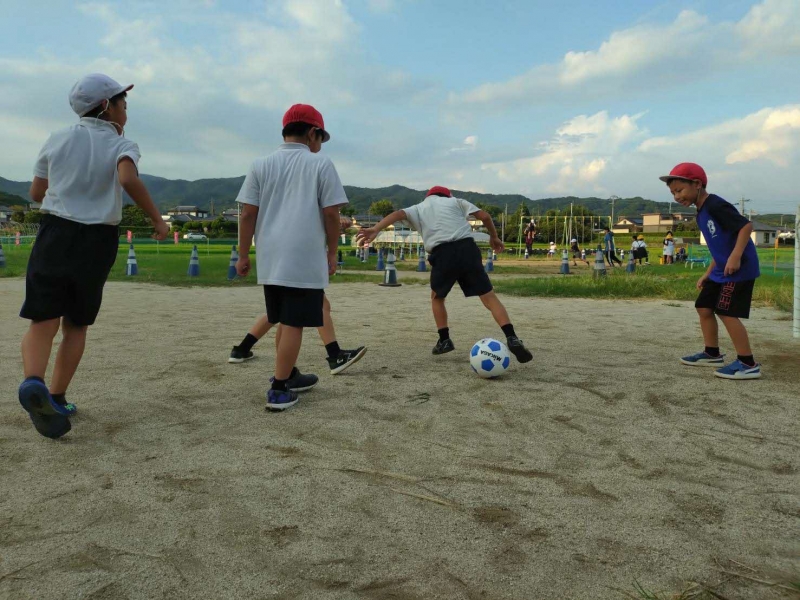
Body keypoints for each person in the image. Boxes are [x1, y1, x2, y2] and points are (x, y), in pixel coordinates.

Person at [17, 73, 169, 439]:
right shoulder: (122, 143)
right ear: (107, 107)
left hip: (55, 232)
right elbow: (128, 179)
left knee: (43, 318)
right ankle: (57, 395)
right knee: (77, 323)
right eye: (123, 103)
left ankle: (33, 382)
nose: (126, 109)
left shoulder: (58, 137)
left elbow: (38, 192)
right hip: (97, 239)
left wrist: (69, 185)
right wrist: (156, 219)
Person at [235, 104, 348, 411]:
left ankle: (289, 374)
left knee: (284, 319)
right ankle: (280, 388)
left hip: (270, 255)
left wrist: (243, 254)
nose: (320, 145)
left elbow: (247, 215)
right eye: (320, 138)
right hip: (304, 255)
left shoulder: (261, 164)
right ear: (313, 133)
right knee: (295, 323)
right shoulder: (320, 164)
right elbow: (331, 214)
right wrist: (333, 252)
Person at [356, 186, 533, 363]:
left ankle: (444, 339)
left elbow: (398, 214)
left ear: (428, 197)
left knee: (437, 297)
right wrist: (494, 237)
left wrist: (376, 228)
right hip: (467, 249)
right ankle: (512, 337)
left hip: (442, 253)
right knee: (488, 296)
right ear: (448, 195)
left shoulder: (418, 208)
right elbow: (485, 216)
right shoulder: (456, 202)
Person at [660, 163, 761, 379]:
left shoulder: (715, 204)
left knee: (726, 311)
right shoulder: (700, 213)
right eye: (673, 193)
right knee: (704, 307)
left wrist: (735, 257)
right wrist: (708, 272)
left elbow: (746, 227)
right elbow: (719, 246)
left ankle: (747, 362)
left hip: (739, 269)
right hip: (719, 270)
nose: (676, 196)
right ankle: (711, 353)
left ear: (697, 184)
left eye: (679, 190)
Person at [229, 297, 367, 376]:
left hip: (275, 262)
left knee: (280, 310)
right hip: (298, 261)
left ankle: (242, 349)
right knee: (318, 304)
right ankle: (335, 355)